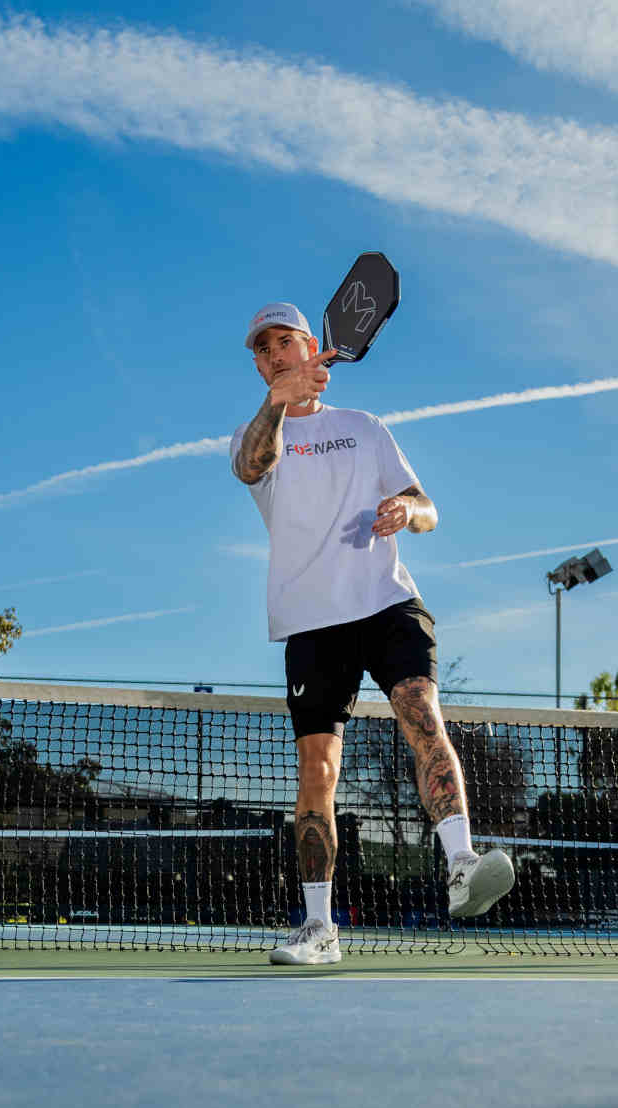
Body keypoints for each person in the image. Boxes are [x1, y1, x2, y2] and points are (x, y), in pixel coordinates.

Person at [230, 301, 514, 965]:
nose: (274, 352)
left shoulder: (365, 428)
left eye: (285, 341)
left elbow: (430, 508)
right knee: (317, 771)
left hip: (388, 604)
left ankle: (462, 864)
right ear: (259, 364)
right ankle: (319, 929)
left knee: (420, 713)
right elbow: (251, 466)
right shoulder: (254, 434)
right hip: (312, 623)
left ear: (312, 347)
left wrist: (406, 509)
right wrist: (276, 401)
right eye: (263, 348)